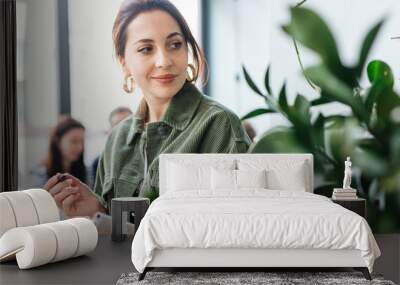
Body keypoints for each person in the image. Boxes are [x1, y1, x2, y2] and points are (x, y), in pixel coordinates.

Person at [44, 0, 251, 218]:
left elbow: (228, 230)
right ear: (124, 63)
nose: (164, 61)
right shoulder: (117, 138)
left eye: (175, 44)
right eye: (146, 49)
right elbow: (115, 233)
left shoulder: (219, 125)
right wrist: (99, 210)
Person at [34, 117, 89, 188]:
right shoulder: (41, 174)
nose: (79, 147)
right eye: (73, 141)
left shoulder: (86, 172)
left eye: (82, 141)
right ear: (58, 141)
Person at [91, 106, 133, 179]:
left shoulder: (145, 156)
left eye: (127, 124)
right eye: (117, 125)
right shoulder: (99, 163)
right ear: (110, 131)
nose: (123, 129)